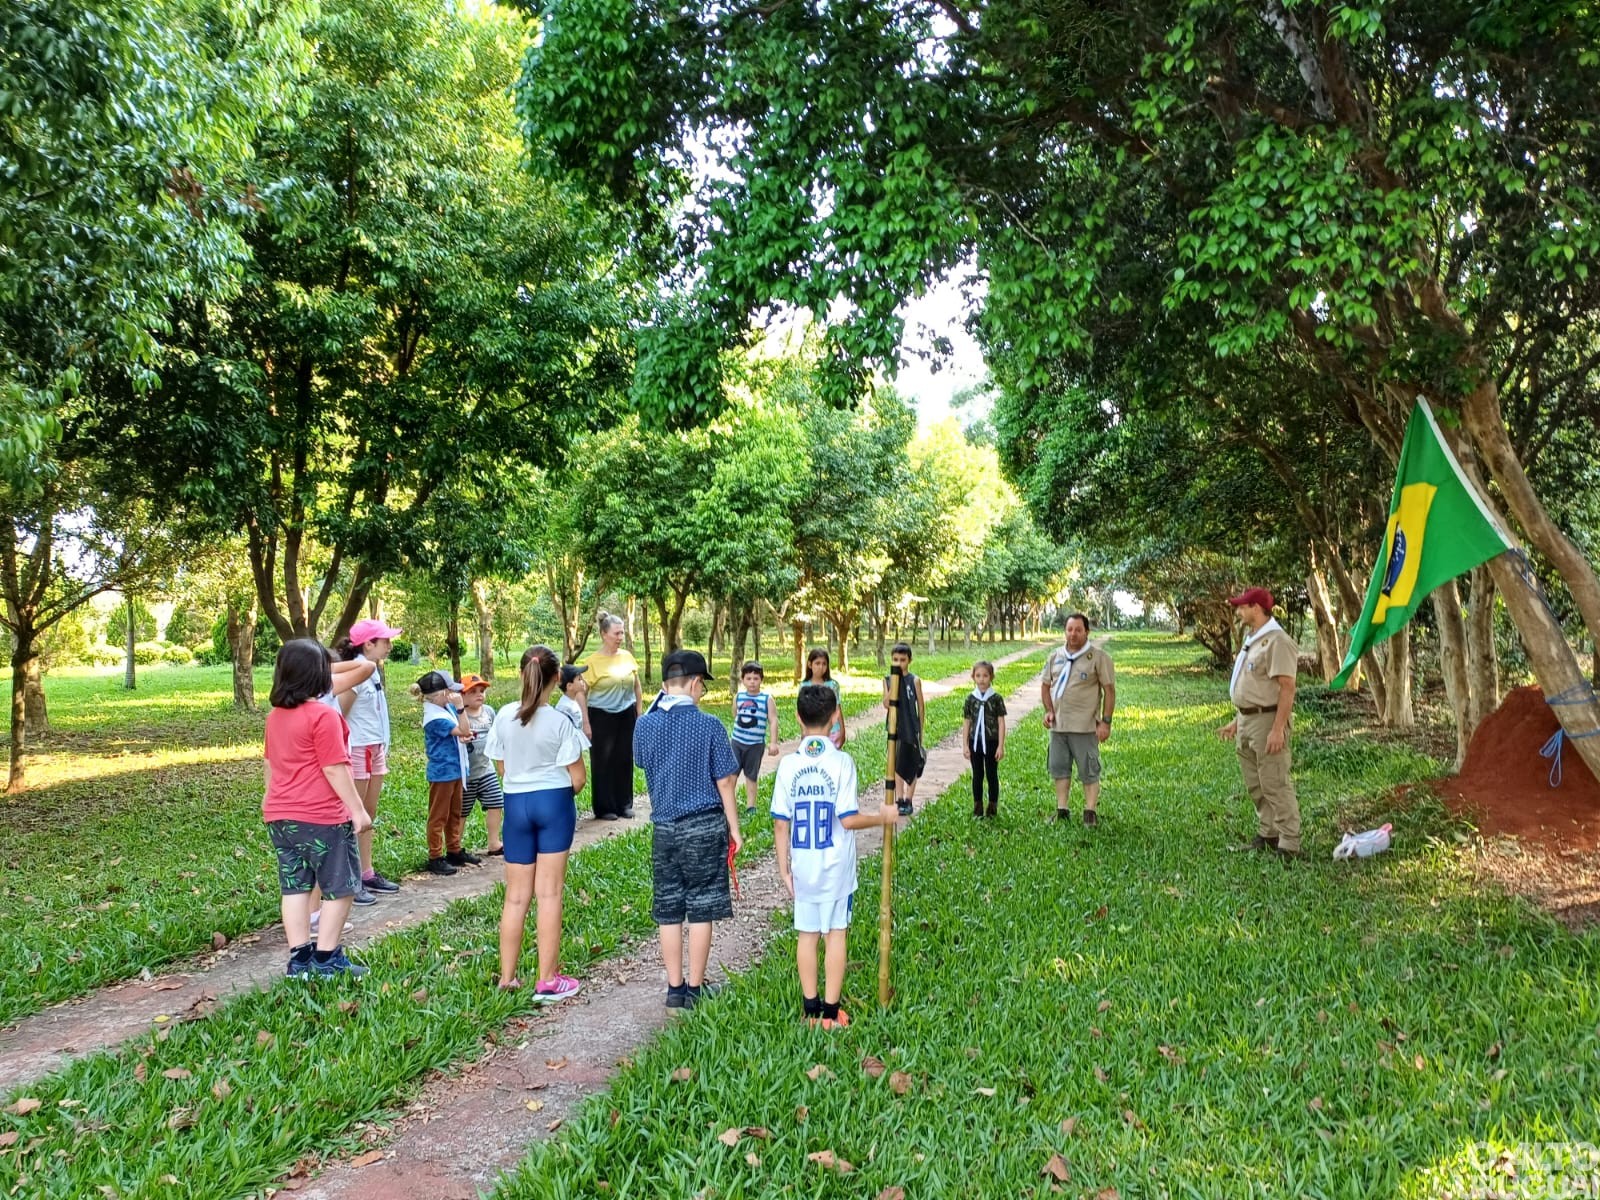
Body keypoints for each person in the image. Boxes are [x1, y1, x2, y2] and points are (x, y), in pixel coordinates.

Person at [773, 684, 898, 1030]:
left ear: (798, 718)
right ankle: (830, 1013)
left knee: (807, 935)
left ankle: (810, 1010)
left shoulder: (788, 765)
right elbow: (848, 819)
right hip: (836, 868)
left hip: (804, 866)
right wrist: (882, 816)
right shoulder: (842, 762)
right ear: (834, 720)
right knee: (836, 934)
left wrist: (784, 867)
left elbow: (780, 823)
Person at [633, 649, 742, 1010]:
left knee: (668, 906)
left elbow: (640, 760)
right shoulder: (709, 725)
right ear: (695, 683)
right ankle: (695, 989)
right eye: (702, 687)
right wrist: (734, 828)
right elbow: (726, 780)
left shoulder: (644, 725)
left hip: (664, 827)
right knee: (701, 905)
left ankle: (674, 988)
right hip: (704, 825)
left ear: (665, 685)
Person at [263, 639, 371, 978]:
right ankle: (326, 958)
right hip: (322, 816)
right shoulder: (324, 716)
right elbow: (334, 768)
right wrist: (357, 809)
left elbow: (270, 765)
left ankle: (300, 959)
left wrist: (273, 801)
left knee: (295, 886)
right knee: (341, 886)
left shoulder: (275, 717)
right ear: (318, 676)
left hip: (280, 817)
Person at [487, 645, 585, 999]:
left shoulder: (503, 716)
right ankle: (547, 979)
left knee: (515, 897)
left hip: (515, 804)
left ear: (521, 674)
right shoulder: (561, 721)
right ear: (557, 678)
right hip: (553, 804)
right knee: (549, 894)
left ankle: (507, 977)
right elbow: (577, 778)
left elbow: (501, 766)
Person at [1216, 587, 1302, 860]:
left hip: (1267, 721)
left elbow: (1286, 688)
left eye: (1242, 606)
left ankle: (1290, 842)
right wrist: (1237, 720)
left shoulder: (1277, 641)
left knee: (1274, 781)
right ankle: (1269, 832)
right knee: (1256, 783)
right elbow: (1255, 686)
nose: (1238, 611)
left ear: (1256, 607)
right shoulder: (1254, 639)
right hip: (1247, 720)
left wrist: (1278, 729)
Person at [335, 618, 404, 902]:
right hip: (359, 749)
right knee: (353, 816)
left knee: (367, 816)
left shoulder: (372, 673)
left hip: (375, 749)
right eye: (384, 641)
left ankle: (366, 872)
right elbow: (339, 716)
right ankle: (349, 880)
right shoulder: (358, 675)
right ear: (368, 644)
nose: (389, 646)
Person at [1041, 612, 1115, 826]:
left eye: (1078, 630)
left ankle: (1090, 812)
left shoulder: (1098, 658)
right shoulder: (1055, 656)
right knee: (1059, 768)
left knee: (1088, 771)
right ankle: (1062, 809)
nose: (1073, 634)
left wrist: (1106, 722)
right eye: (1069, 629)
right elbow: (1046, 686)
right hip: (1059, 726)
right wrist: (1048, 710)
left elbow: (1109, 691)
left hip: (1085, 727)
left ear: (1086, 632)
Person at [410, 670, 478, 875]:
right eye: (450, 691)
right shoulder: (434, 716)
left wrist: (463, 735)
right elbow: (463, 729)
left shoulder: (443, 707)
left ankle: (454, 849)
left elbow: (461, 733)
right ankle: (435, 855)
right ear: (439, 694)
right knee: (439, 815)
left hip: (455, 769)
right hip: (443, 772)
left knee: (455, 812)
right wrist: (460, 708)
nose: (454, 695)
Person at [584, 610, 643, 820]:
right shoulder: (591, 662)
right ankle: (604, 807)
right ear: (603, 634)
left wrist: (639, 712)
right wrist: (586, 722)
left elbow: (636, 686)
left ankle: (624, 804)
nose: (620, 638)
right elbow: (581, 694)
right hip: (601, 715)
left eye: (622, 633)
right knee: (603, 761)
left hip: (626, 714)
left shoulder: (627, 656)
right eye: (616, 633)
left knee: (624, 758)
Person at [459, 673, 505, 856]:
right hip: (466, 774)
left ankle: (494, 842)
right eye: (473, 691)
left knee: (496, 803)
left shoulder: (489, 712)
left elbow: (496, 737)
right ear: (461, 696)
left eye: (482, 691)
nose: (479, 694)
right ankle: (456, 846)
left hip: (486, 770)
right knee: (462, 811)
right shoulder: (459, 715)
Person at [731, 660, 780, 815]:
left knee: (751, 776)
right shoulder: (738, 696)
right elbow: (735, 714)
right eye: (748, 678)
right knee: (731, 774)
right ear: (743, 680)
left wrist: (773, 742)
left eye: (756, 678)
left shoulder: (767, 699)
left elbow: (773, 720)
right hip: (737, 742)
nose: (752, 682)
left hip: (755, 744)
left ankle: (750, 806)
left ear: (761, 679)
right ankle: (728, 804)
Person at [882, 643, 925, 816]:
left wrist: (920, 731)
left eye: (903, 660)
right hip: (895, 728)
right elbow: (886, 703)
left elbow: (921, 707)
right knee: (896, 763)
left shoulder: (915, 680)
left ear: (909, 660)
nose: (899, 663)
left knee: (913, 763)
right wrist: (894, 682)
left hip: (911, 727)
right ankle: (899, 799)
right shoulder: (887, 680)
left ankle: (909, 798)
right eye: (895, 660)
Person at [962, 660, 1007, 818]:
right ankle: (978, 805)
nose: (981, 679)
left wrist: (1001, 746)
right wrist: (965, 745)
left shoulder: (996, 699)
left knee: (992, 774)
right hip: (975, 742)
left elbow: (1001, 722)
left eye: (985, 676)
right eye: (978, 676)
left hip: (991, 742)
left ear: (991, 677)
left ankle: (993, 805)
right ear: (973, 677)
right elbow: (967, 722)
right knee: (977, 774)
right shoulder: (970, 699)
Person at [805, 648, 847, 749]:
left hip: (833, 731)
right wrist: (804, 731)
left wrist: (842, 730)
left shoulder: (832, 685)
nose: (821, 667)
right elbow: (803, 710)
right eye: (817, 663)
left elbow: (837, 707)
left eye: (824, 664)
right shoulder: (804, 686)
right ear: (810, 664)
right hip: (813, 731)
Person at [556, 664, 592, 740]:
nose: (583, 681)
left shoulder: (574, 702)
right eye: (579, 679)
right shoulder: (565, 708)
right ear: (569, 686)